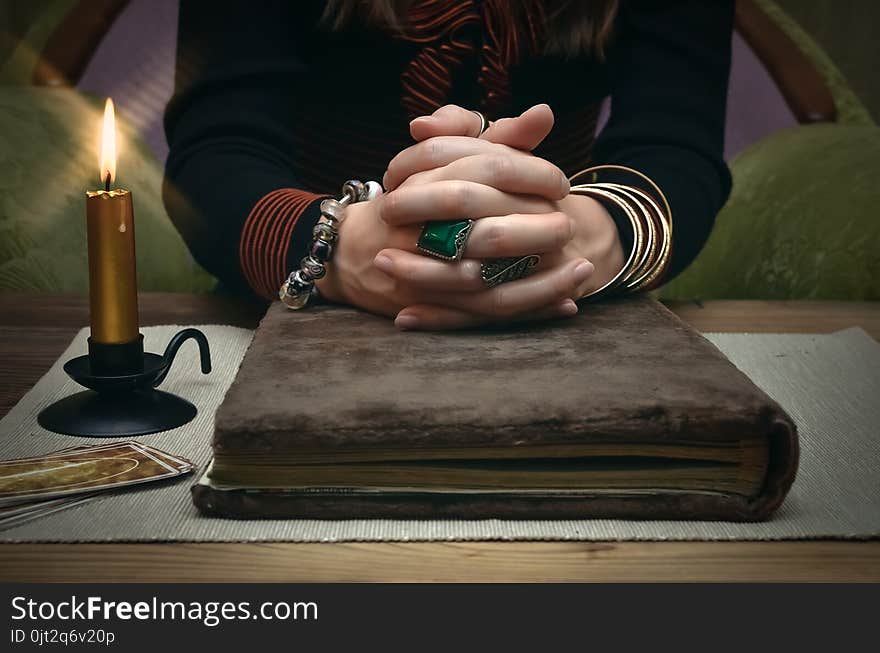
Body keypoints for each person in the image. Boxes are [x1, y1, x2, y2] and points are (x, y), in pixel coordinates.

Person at [164, 0, 733, 330]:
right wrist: (342, 247)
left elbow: (676, 144)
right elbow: (217, 150)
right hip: (308, 302)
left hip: (568, 299)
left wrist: (581, 234)